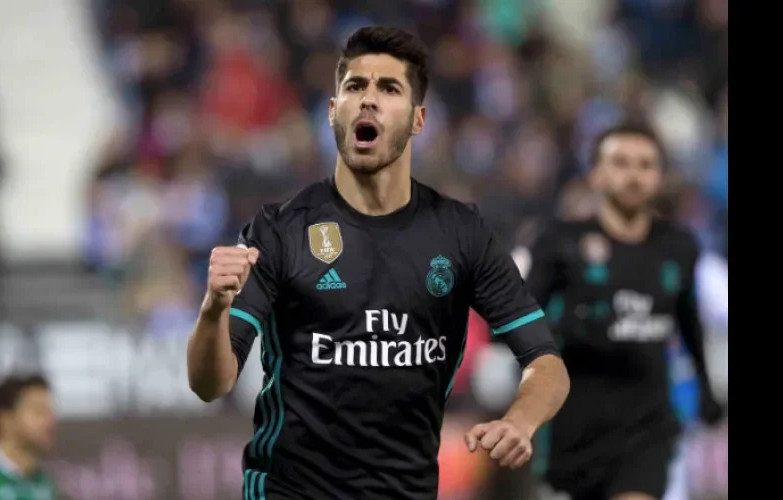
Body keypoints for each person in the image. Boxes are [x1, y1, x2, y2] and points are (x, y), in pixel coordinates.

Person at [186, 26, 570, 500]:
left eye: (389, 88)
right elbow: (211, 382)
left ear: (417, 119)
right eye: (354, 87)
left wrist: (520, 420)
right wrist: (212, 310)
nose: (368, 100)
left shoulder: (461, 233)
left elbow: (547, 364)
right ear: (332, 112)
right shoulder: (279, 231)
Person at [523, 122, 725, 500]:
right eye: (621, 163)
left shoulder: (678, 247)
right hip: (574, 426)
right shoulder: (561, 242)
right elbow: (516, 321)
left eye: (646, 165)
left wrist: (705, 387)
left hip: (647, 426)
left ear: (660, 177)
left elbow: (688, 319)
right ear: (596, 174)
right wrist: (568, 327)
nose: (634, 175)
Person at [0, 374, 57, 500]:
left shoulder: (43, 483)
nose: (50, 420)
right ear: (5, 420)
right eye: (38, 412)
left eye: (50, 412)